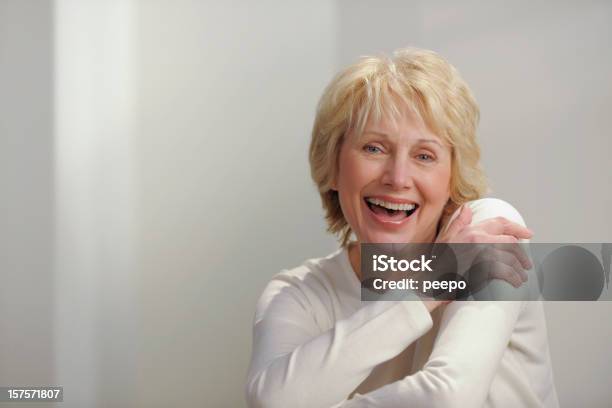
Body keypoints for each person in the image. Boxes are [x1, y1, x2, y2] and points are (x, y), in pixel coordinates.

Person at [245, 48, 559, 407]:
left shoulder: (488, 231)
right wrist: (428, 283)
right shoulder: (297, 294)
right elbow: (272, 401)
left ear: (453, 177)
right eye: (374, 148)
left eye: (424, 156)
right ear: (332, 166)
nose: (397, 178)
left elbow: (449, 396)